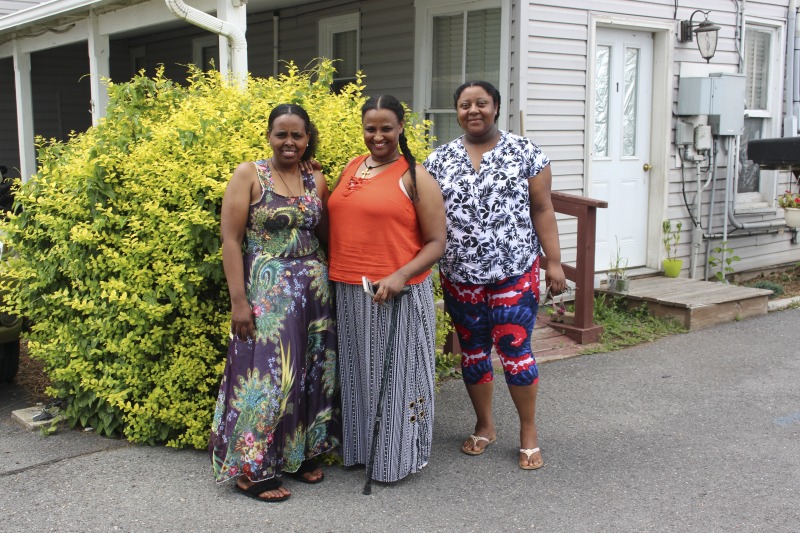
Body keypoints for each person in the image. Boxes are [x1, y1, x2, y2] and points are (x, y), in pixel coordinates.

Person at [423, 80, 566, 470]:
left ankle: (528, 431)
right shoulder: (439, 160)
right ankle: (485, 426)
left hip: (514, 271)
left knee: (515, 352)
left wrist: (553, 260)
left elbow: (542, 209)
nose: (474, 110)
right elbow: (409, 199)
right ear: (457, 111)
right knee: (472, 353)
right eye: (465, 104)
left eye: (481, 103)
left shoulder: (526, 152)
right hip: (460, 274)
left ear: (496, 107)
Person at [209, 103, 339, 502]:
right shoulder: (250, 174)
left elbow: (327, 235)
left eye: (296, 135)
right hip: (269, 293)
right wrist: (239, 302)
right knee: (269, 376)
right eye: (281, 134)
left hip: (314, 293)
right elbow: (230, 239)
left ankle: (299, 456)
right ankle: (253, 471)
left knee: (310, 371)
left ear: (307, 137)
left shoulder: (315, 176)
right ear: (269, 135)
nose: (289, 141)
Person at [327, 95, 446, 484]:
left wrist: (398, 275)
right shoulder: (351, 166)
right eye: (370, 128)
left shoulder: (415, 176)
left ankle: (398, 459)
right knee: (360, 374)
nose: (377, 136)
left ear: (400, 128)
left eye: (386, 128)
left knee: (397, 378)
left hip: (394, 292)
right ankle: (364, 454)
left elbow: (436, 242)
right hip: (348, 288)